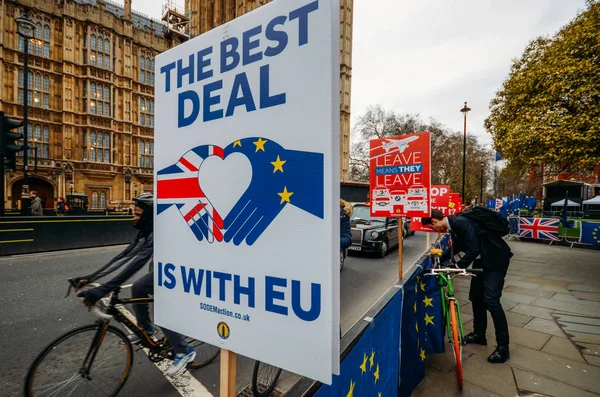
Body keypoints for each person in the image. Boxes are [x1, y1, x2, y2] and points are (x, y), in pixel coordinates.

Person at [73, 193, 196, 375]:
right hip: (165, 270)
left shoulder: (159, 232)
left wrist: (104, 289)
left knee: (163, 310)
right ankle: (146, 329)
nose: (134, 218)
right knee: (138, 288)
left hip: (183, 272)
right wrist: (90, 277)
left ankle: (185, 351)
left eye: (138, 214)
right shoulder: (147, 230)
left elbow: (137, 262)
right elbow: (124, 256)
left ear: (149, 215)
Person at [422, 208, 513, 363]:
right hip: (482, 260)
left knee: (492, 301)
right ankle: (479, 334)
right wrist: (444, 258)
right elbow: (458, 246)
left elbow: (474, 249)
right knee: (476, 298)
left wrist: (457, 267)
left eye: (431, 227)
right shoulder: (454, 225)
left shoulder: (460, 222)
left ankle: (503, 348)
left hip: (495, 260)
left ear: (434, 221)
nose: (433, 230)